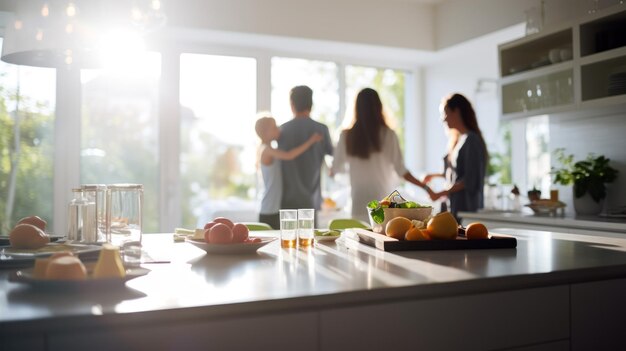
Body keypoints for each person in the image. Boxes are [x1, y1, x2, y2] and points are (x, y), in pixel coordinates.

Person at [330, 88, 434, 223]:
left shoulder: (346, 136)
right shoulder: (388, 134)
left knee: (358, 243)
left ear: (357, 108)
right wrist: (426, 188)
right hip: (383, 205)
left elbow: (335, 169)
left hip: (358, 205)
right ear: (378, 107)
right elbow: (401, 171)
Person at [423, 93, 488, 221]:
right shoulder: (458, 140)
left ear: (456, 111)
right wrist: (433, 175)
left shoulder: (472, 140)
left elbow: (469, 180)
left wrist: (440, 193)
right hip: (456, 209)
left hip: (467, 212)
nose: (443, 119)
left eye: (445, 113)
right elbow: (455, 173)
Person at [255, 116, 323, 229]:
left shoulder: (269, 149)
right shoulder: (267, 150)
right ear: (266, 133)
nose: (279, 129)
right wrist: (311, 141)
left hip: (273, 208)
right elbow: (289, 155)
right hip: (269, 210)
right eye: (274, 127)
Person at [278, 86, 334, 214]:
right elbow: (333, 154)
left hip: (288, 198)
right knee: (309, 233)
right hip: (311, 198)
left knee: (288, 232)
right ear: (311, 105)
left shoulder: (283, 130)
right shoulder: (321, 129)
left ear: (292, 104)